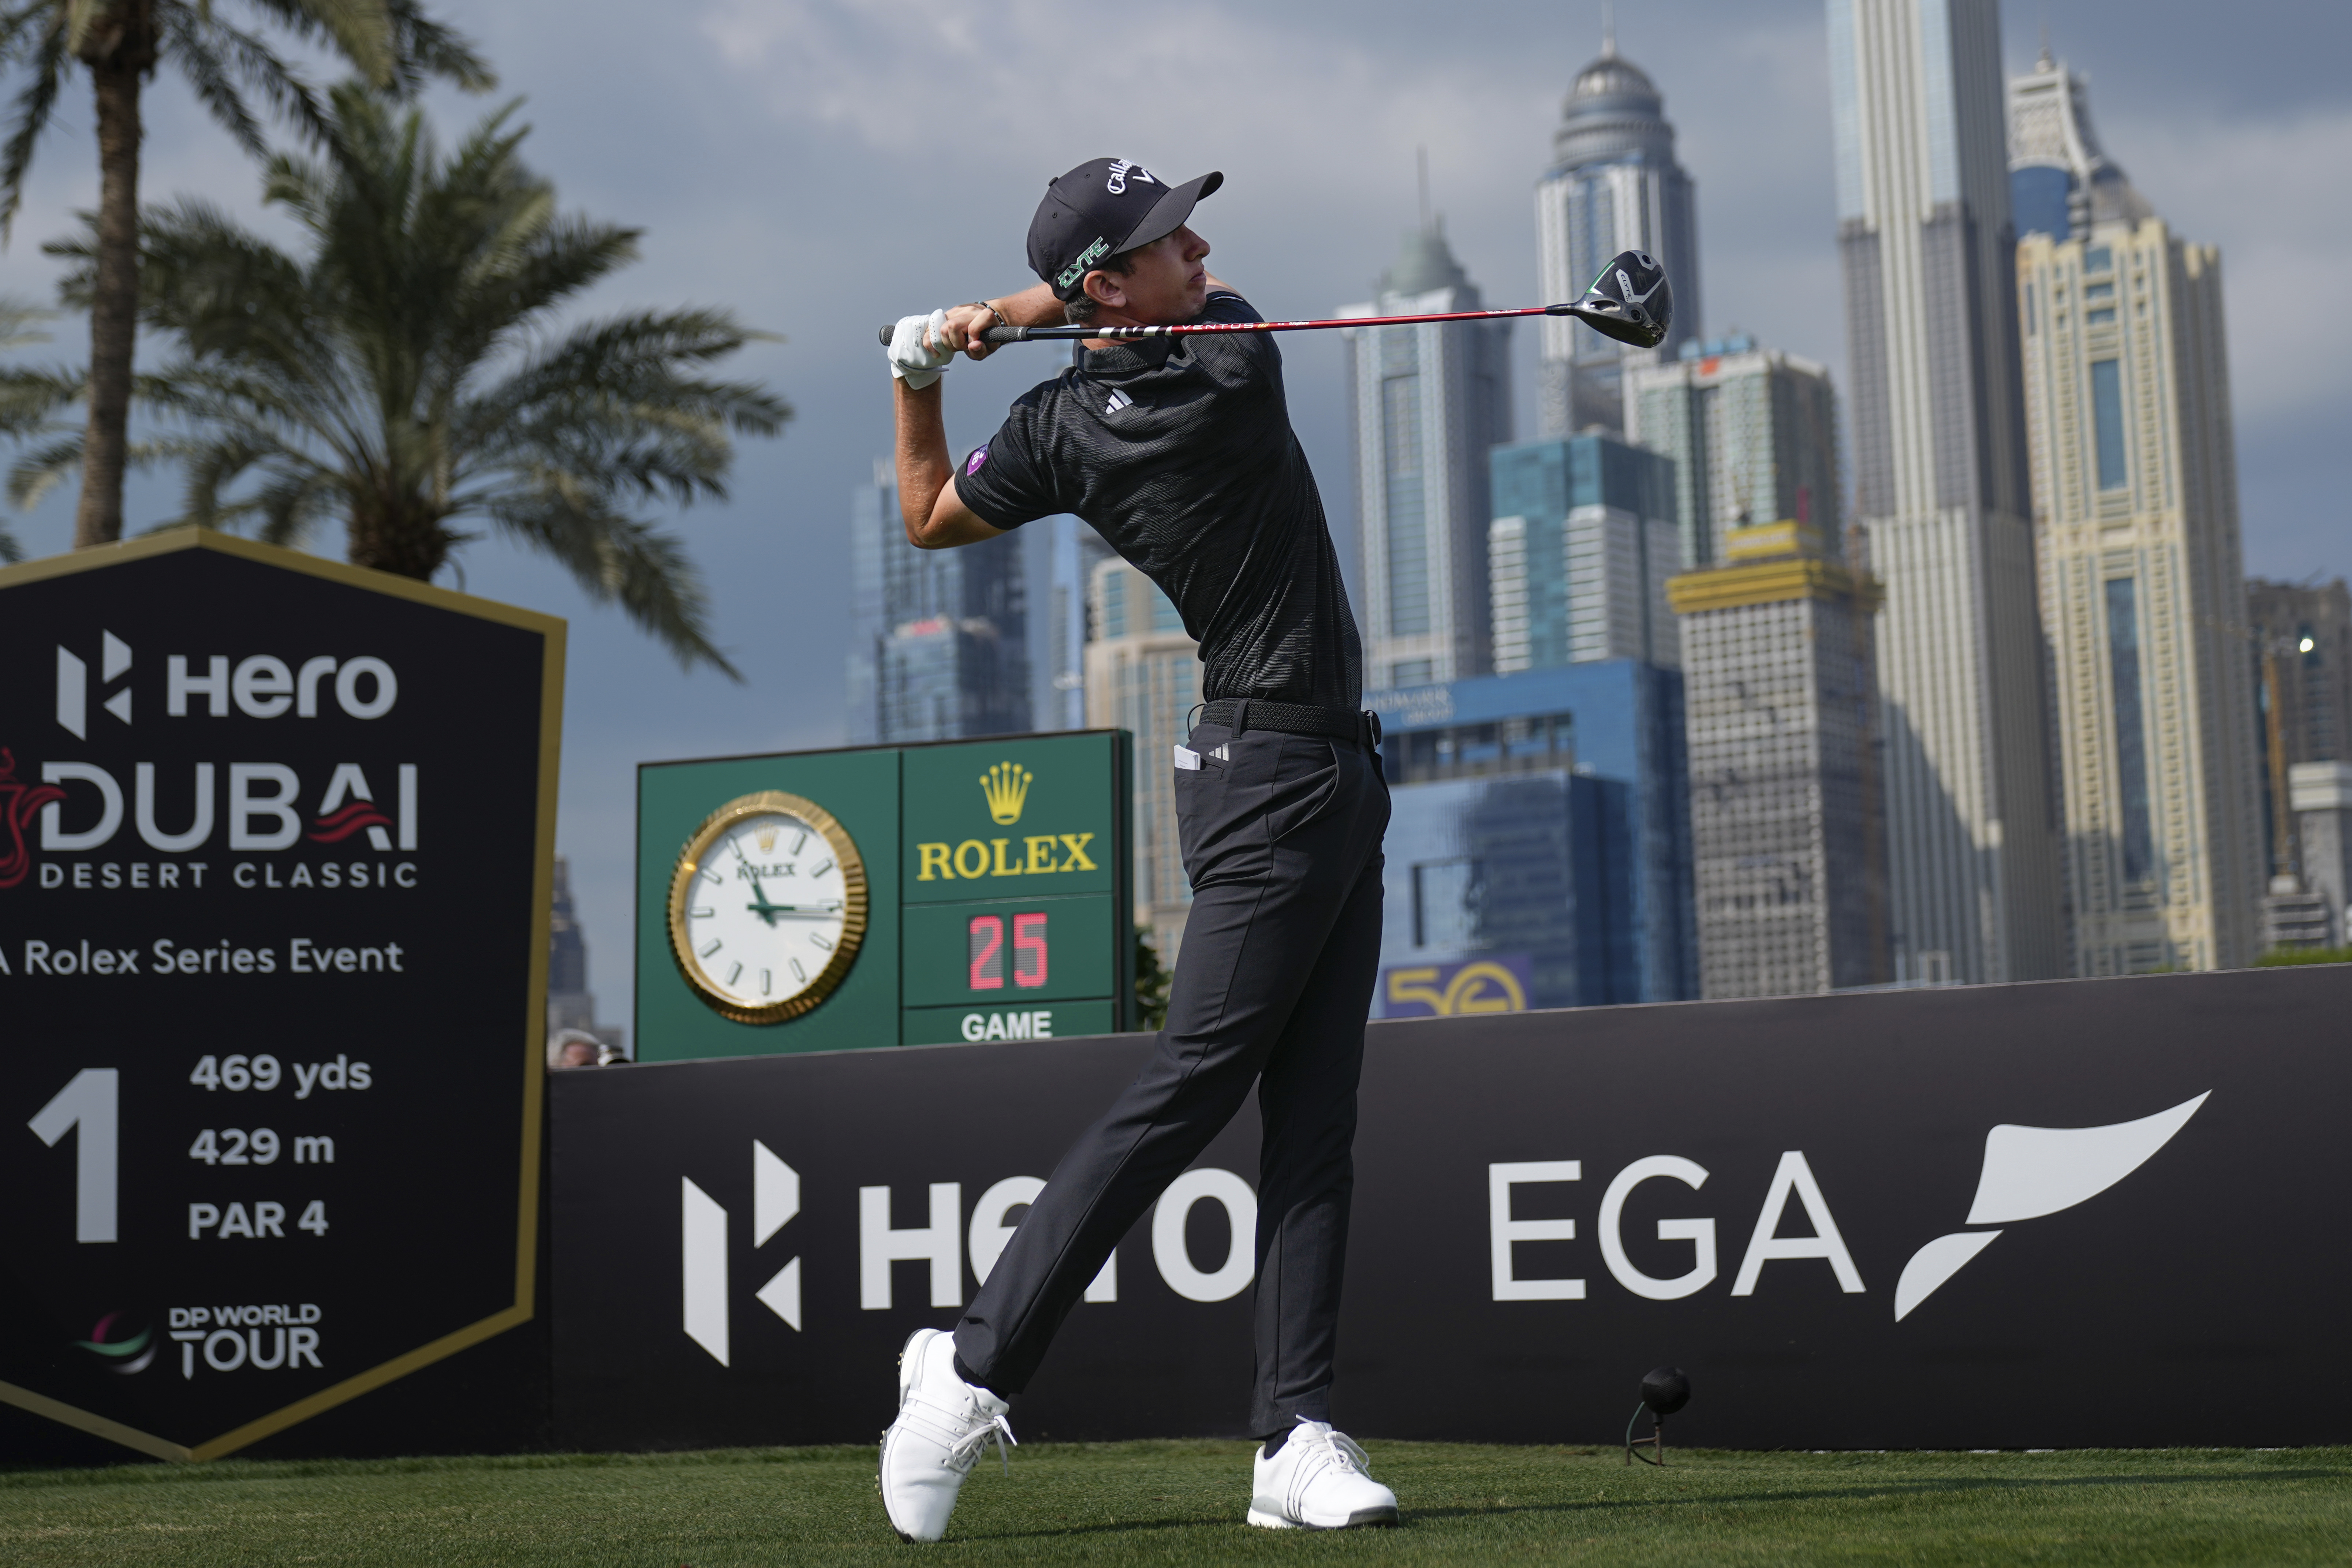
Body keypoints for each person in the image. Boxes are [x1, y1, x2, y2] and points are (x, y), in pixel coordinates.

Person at [876, 158, 1396, 1541]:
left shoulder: (1057, 423)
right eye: (1170, 238)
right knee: (1191, 1083)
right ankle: (967, 1371)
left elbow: (928, 511)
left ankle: (1293, 1436)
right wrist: (997, 321)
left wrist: (919, 368)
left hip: (1334, 769)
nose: (1203, 247)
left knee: (1316, 1124)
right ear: (1112, 283)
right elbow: (935, 522)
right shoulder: (1227, 363)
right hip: (1267, 777)